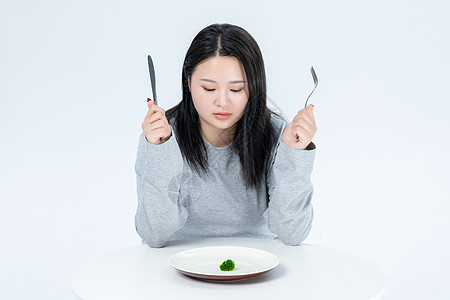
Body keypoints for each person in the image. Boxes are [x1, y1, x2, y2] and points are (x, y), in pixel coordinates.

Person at [135, 23, 317, 248]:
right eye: (209, 89)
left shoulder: (278, 133)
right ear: (188, 82)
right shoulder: (161, 134)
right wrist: (160, 151)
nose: (222, 101)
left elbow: (293, 234)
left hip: (258, 263)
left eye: (236, 89)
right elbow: (154, 235)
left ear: (255, 86)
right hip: (178, 264)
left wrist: (294, 154)